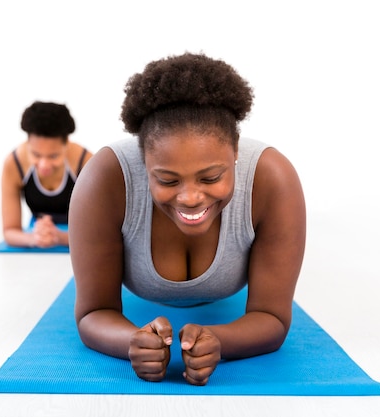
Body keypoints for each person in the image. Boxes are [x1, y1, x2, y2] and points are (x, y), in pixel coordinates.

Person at [69, 52, 306, 386]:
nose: (191, 198)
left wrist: (219, 341)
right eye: (167, 181)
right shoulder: (104, 180)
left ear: (235, 151)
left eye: (210, 178)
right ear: (143, 159)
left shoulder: (272, 179)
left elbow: (272, 317)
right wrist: (133, 342)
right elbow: (94, 312)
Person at [1, 101, 92, 248]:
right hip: (39, 233)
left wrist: (60, 237)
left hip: (76, 236)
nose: (44, 165)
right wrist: (33, 238)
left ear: (66, 144)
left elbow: (99, 232)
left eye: (53, 156)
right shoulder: (14, 164)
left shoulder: (86, 163)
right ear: (28, 143)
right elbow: (10, 231)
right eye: (36, 155)